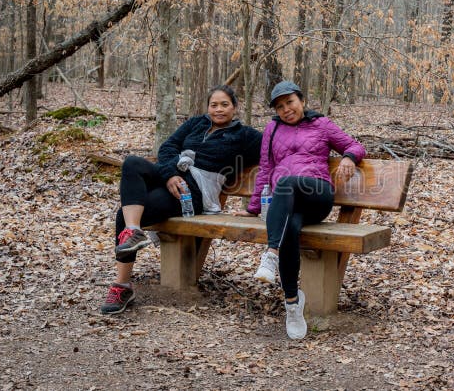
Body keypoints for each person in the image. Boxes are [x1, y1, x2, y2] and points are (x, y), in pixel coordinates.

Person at [100, 85, 262, 315]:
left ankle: (121, 285)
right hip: (172, 176)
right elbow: (168, 147)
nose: (218, 109)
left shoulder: (245, 136)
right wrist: (170, 175)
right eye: (213, 105)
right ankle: (133, 231)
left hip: (195, 192)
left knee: (121, 214)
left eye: (225, 104)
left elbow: (276, 146)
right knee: (132, 163)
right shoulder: (196, 123)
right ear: (208, 107)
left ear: (235, 107)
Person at [236, 80, 365, 339]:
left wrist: (349, 158)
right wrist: (253, 208)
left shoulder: (322, 125)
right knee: (291, 227)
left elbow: (354, 146)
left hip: (317, 195)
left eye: (290, 102)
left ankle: (270, 254)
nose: (286, 109)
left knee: (285, 181)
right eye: (280, 106)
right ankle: (293, 303)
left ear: (302, 101)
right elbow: (265, 169)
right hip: (286, 205)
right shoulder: (272, 129)